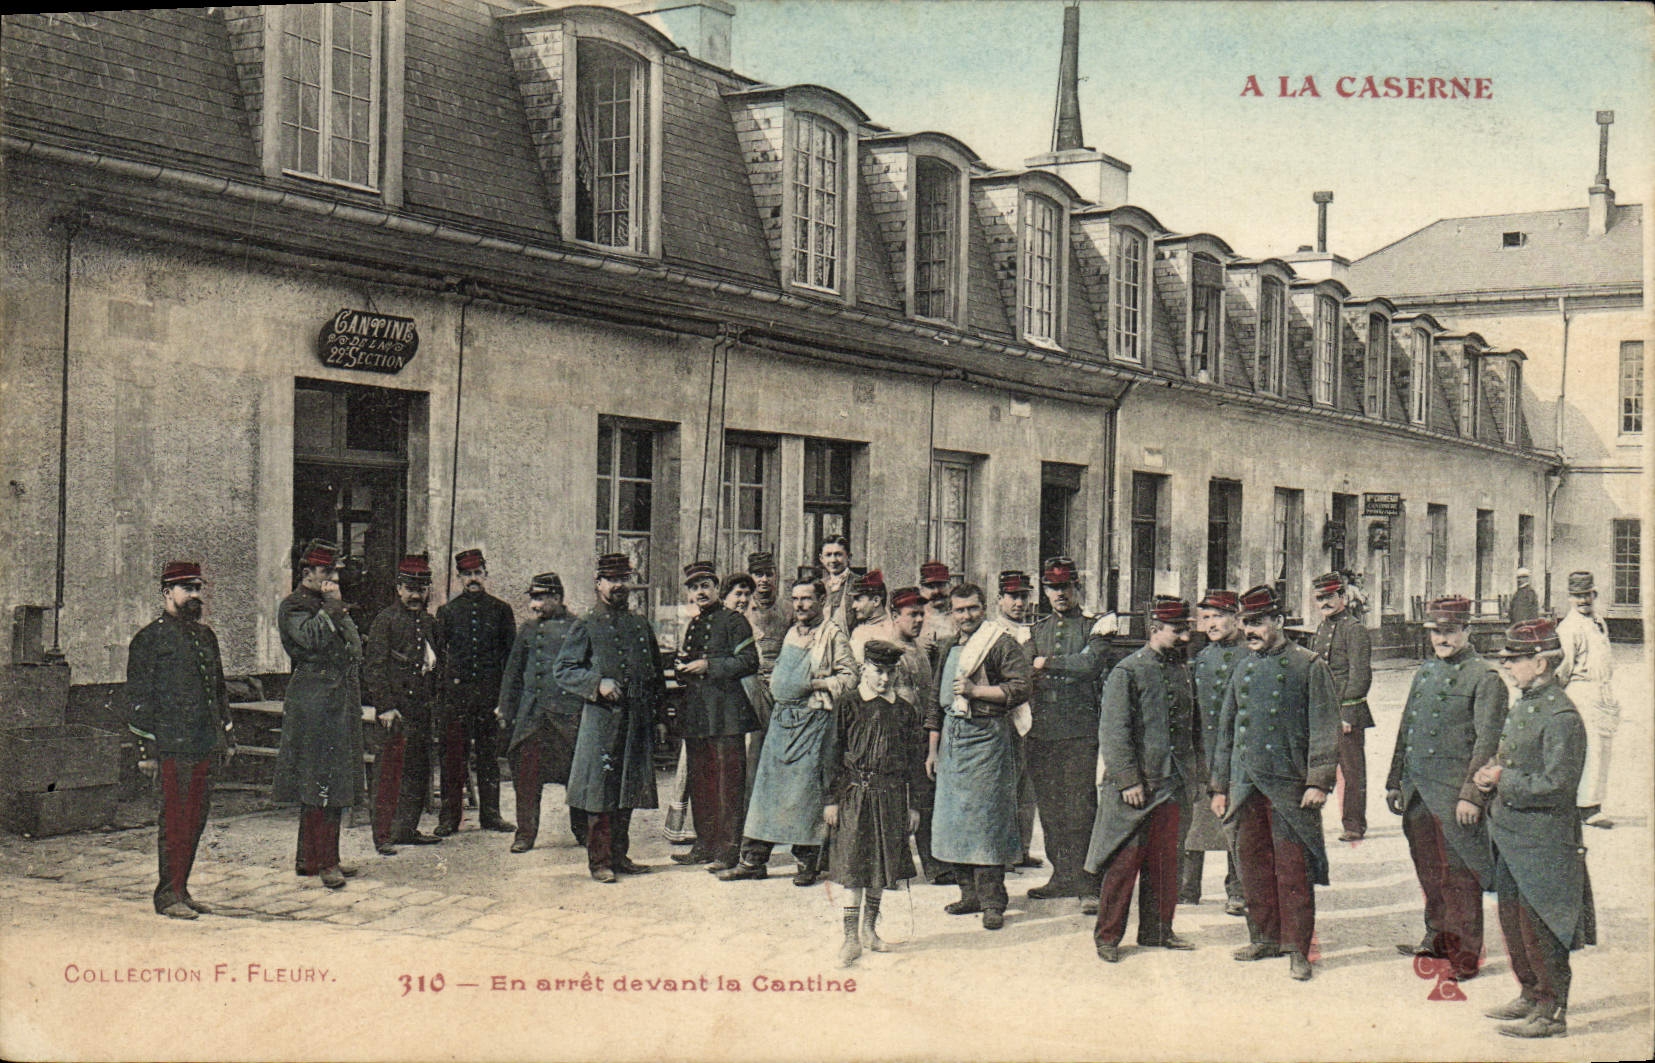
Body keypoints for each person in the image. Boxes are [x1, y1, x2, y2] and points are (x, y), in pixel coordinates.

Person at [1209, 584, 1340, 980]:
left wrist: (1318, 780)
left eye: (1259, 622)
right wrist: (1219, 785)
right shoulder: (1242, 666)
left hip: (1289, 787)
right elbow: (1226, 732)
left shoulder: (1308, 664)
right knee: (1251, 864)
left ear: (1279, 622)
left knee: (1293, 870)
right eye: (1246, 622)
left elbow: (1325, 727)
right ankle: (1264, 936)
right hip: (1246, 785)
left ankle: (1299, 948)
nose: (1250, 630)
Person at [1476, 618, 1594, 1039]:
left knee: (1543, 924)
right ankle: (1529, 993)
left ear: (1541, 663)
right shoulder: (1528, 702)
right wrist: (1494, 773)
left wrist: (1501, 780)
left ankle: (1551, 1012)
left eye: (1515, 659)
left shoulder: (1561, 715)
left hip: (1544, 840)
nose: (1507, 666)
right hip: (1512, 834)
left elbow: (1558, 785)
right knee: (1514, 920)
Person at [1384, 595, 1508, 980]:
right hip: (1419, 791)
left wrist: (1473, 794)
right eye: (1436, 632)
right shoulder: (1424, 672)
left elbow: (1488, 743)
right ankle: (1437, 936)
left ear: (1467, 631)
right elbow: (1407, 729)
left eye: (1450, 631)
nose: (1442, 638)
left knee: (1460, 876)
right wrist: (1395, 781)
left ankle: (1465, 955)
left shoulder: (1484, 678)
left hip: (1455, 797)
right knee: (1429, 870)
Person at [717, 576, 856, 885]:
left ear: (821, 601)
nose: (800, 605)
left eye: (806, 599)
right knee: (765, 791)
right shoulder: (792, 631)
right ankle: (753, 860)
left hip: (812, 723)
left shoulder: (833, 635)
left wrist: (817, 683)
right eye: (795, 599)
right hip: (781, 722)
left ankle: (807, 862)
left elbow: (850, 679)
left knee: (805, 794)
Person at [1085, 597, 1201, 962]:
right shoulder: (1127, 671)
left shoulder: (1182, 669)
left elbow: (1192, 729)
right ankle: (1107, 937)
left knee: (1167, 862)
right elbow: (1114, 732)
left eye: (1186, 629)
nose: (1184, 637)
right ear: (1154, 630)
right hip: (1136, 788)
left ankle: (1157, 932)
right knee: (1124, 864)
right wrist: (1127, 781)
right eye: (1176, 630)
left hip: (1173, 784)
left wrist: (1194, 777)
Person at [125, 561, 236, 918]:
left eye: (198, 588)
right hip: (172, 745)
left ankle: (182, 888)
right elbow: (139, 699)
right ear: (166, 593)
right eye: (186, 588)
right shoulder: (149, 639)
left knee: (196, 818)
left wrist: (227, 736)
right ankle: (167, 896)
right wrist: (146, 751)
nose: (194, 595)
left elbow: (218, 691)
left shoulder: (206, 636)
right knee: (174, 818)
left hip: (204, 743)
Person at [553, 553, 669, 883]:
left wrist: (660, 717)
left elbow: (656, 676)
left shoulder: (640, 624)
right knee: (600, 791)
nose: (618, 585)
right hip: (602, 722)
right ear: (598, 583)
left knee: (626, 788)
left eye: (623, 579)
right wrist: (597, 683)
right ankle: (600, 862)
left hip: (636, 719)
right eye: (611, 579)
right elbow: (563, 669)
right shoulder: (586, 624)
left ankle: (621, 856)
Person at [926, 582, 1033, 931]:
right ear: (952, 613)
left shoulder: (1000, 644)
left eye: (972, 608)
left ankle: (992, 902)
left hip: (988, 738)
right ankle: (968, 893)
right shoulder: (946, 647)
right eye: (959, 610)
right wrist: (932, 750)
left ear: (983, 607)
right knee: (955, 822)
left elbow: (1021, 687)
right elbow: (934, 703)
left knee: (986, 824)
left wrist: (977, 691)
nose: (966, 616)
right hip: (953, 741)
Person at [824, 640, 926, 966]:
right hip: (855, 796)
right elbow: (830, 754)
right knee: (855, 867)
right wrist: (831, 799)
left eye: (890, 672)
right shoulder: (848, 704)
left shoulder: (905, 711)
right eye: (878, 671)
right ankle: (850, 939)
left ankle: (870, 930)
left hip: (892, 797)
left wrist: (914, 806)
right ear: (864, 669)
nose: (884, 679)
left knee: (881, 867)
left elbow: (914, 761)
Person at [273, 543, 365, 890]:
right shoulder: (294, 606)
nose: (334, 579)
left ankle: (316, 858)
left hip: (338, 696)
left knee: (334, 776)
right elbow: (309, 639)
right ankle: (322, 861)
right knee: (319, 778)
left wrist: (336, 610)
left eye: (336, 572)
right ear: (307, 572)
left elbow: (354, 646)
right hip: (312, 698)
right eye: (328, 572)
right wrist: (332, 608)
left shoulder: (329, 604)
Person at [1026, 557, 1111, 909]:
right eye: (1053, 588)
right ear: (1044, 591)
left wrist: (1047, 663)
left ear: (1077, 587)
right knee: (1050, 807)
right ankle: (1061, 875)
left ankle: (1089, 881)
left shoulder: (1094, 627)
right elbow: (1024, 668)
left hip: (1079, 730)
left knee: (1081, 806)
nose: (1059, 594)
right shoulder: (1036, 630)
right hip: (1043, 730)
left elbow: (1090, 665)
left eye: (1065, 586)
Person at [672, 561, 760, 870]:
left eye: (705, 586)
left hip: (727, 715)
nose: (700, 592)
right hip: (698, 714)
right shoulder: (694, 624)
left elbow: (750, 661)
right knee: (701, 783)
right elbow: (686, 664)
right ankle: (704, 844)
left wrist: (710, 665)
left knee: (728, 784)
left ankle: (727, 851)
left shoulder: (734, 622)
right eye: (694, 588)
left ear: (716, 588)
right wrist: (681, 668)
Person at [498, 572, 587, 853]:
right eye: (532, 598)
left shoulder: (578, 627)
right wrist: (505, 708)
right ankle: (525, 833)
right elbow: (513, 673)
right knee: (526, 779)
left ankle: (583, 830)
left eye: (539, 598)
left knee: (576, 778)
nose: (534, 605)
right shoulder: (527, 630)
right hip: (532, 719)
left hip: (567, 718)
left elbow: (588, 672)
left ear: (557, 598)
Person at [362, 555, 444, 855]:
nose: (415, 595)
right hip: (394, 712)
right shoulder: (385, 621)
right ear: (398, 588)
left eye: (421, 589)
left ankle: (406, 829)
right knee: (388, 774)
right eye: (409, 589)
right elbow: (374, 667)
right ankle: (382, 835)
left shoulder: (428, 622)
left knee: (417, 771)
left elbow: (437, 664)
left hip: (421, 709)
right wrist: (384, 706)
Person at [435, 548, 517, 835]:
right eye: (467, 574)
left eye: (477, 573)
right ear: (458, 578)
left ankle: (491, 815)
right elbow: (438, 659)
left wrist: (505, 699)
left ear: (486, 574)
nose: (473, 579)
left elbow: (511, 659)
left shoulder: (501, 610)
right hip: (456, 700)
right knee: (452, 759)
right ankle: (449, 818)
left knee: (489, 758)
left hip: (489, 698)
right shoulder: (446, 612)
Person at [1181, 590, 1247, 916]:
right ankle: (1187, 887)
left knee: (1238, 821)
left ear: (1236, 617)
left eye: (1218, 617)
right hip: (1204, 752)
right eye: (1205, 618)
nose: (1211, 624)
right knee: (1197, 817)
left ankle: (1238, 891)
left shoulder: (1250, 654)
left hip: (1238, 754)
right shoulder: (1203, 657)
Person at [1309, 571, 1373, 842]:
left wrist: (1347, 712)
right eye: (1320, 598)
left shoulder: (1353, 629)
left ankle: (1354, 824)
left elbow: (1360, 675)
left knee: (1351, 770)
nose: (1324, 602)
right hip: (1323, 708)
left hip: (1346, 709)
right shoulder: (1322, 628)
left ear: (1343, 598)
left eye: (1330, 597)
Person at [888, 585, 944, 884]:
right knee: (896, 801)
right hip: (896, 735)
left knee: (924, 799)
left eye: (922, 614)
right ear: (894, 616)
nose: (919, 620)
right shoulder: (887, 651)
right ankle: (894, 868)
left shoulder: (922, 651)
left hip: (921, 735)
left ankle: (935, 867)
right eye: (912, 615)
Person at [1555, 570, 1618, 829]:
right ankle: (1588, 807)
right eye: (1577, 597)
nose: (1583, 601)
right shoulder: (1569, 628)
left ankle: (1593, 802)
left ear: (1595, 595)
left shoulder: (1597, 621)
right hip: (1581, 691)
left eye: (1587, 595)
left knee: (1603, 746)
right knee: (1590, 748)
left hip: (1601, 690)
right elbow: (1563, 668)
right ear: (1570, 598)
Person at [991, 570, 1042, 871]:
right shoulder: (994, 633)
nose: (1019, 602)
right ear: (1000, 599)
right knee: (1005, 786)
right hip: (1005, 717)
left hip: (1032, 717)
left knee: (1027, 787)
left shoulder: (1031, 632)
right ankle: (1004, 853)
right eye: (1012, 596)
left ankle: (1022, 848)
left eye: (1023, 596)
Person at [742, 553, 789, 800]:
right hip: (752, 685)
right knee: (754, 749)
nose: (764, 580)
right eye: (758, 574)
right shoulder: (743, 609)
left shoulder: (788, 610)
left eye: (769, 574)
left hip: (782, 685)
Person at [847, 569, 895, 661]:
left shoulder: (893, 629)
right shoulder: (859, 630)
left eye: (858, 600)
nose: (853, 606)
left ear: (876, 601)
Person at [915, 560, 957, 660]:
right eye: (930, 586)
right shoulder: (915, 618)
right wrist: (915, 643)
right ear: (921, 590)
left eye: (941, 585)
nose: (936, 591)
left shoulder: (960, 616)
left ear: (950, 587)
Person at [817, 534, 856, 637]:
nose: (833, 560)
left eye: (838, 554)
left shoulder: (859, 583)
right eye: (828, 555)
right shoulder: (818, 585)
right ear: (821, 558)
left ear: (848, 557)